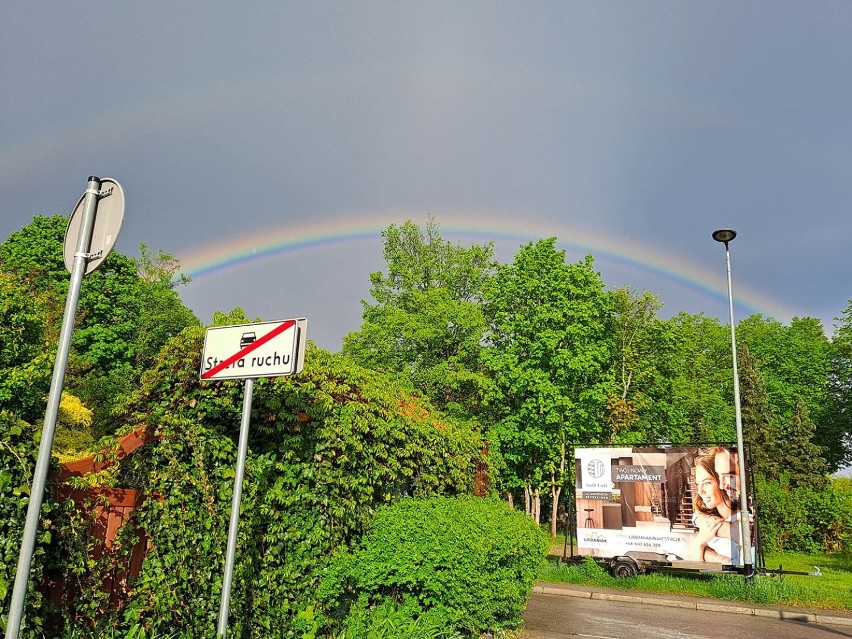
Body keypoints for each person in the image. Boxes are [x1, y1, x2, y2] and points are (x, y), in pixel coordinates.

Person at [691, 448, 748, 563]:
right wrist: (699, 543)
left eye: (707, 483)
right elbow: (696, 568)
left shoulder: (744, 516)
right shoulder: (703, 519)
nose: (700, 491)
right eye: (698, 484)